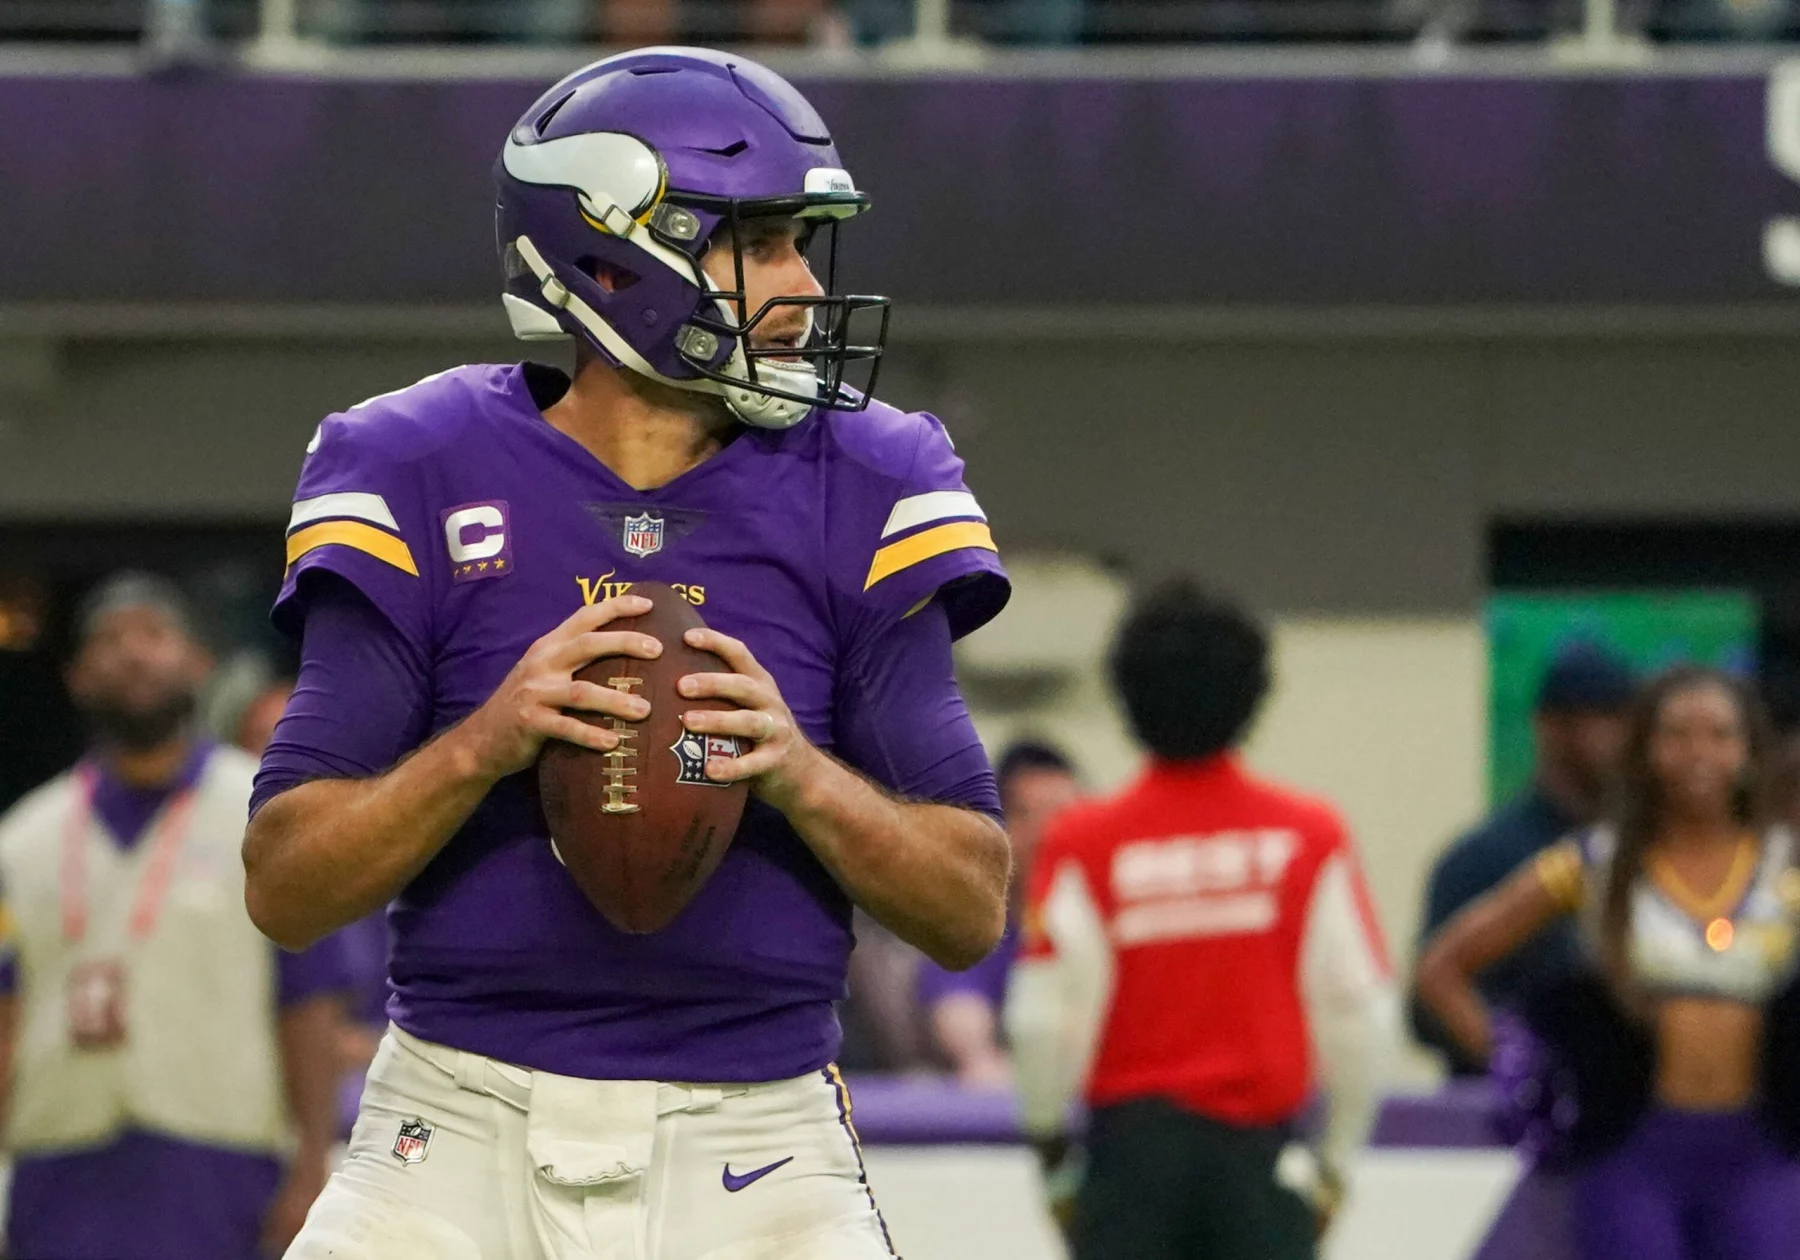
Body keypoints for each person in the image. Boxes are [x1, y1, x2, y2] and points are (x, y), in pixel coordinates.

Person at [245, 48, 1012, 1260]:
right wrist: (484, 744)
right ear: (617, 251)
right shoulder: (414, 462)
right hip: (452, 1126)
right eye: (761, 242)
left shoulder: (869, 473)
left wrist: (798, 773)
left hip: (756, 1143)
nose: (804, 287)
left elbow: (971, 905)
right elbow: (285, 889)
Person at [1007, 578, 1397, 1260]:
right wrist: (1333, 1169)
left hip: (1128, 1176)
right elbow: (1361, 1013)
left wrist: (1051, 1158)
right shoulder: (1308, 836)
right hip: (1261, 1172)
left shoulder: (1083, 843)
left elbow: (1040, 1020)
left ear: (1128, 693)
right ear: (1252, 691)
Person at [0, 573, 346, 1260]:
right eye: (110, 639)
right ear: (75, 676)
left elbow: (308, 1000)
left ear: (198, 664)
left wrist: (312, 1160)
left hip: (220, 1160)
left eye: (154, 635)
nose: (132, 654)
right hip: (57, 1164)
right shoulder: (22, 837)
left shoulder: (263, 813)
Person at [1416, 665, 1800, 1260]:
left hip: (1761, 1151)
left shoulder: (1787, 868)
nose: (1699, 752)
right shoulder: (1596, 861)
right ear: (1645, 750)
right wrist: (1518, 1068)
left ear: (1750, 752)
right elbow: (1441, 968)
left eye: (1720, 735)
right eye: (1677, 734)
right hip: (1632, 1152)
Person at [1410, 642, 1634, 1074]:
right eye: (1604, 717)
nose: (1621, 739)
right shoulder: (1481, 859)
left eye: (1629, 721)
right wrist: (1520, 1065)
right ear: (1550, 726)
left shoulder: (1642, 855)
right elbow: (1428, 999)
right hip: (1500, 1115)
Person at [918, 740, 1078, 1086]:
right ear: (998, 828)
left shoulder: (1101, 928)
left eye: (1064, 815)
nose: (1046, 834)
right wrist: (981, 1059)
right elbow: (966, 1034)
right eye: (1028, 815)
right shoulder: (969, 924)